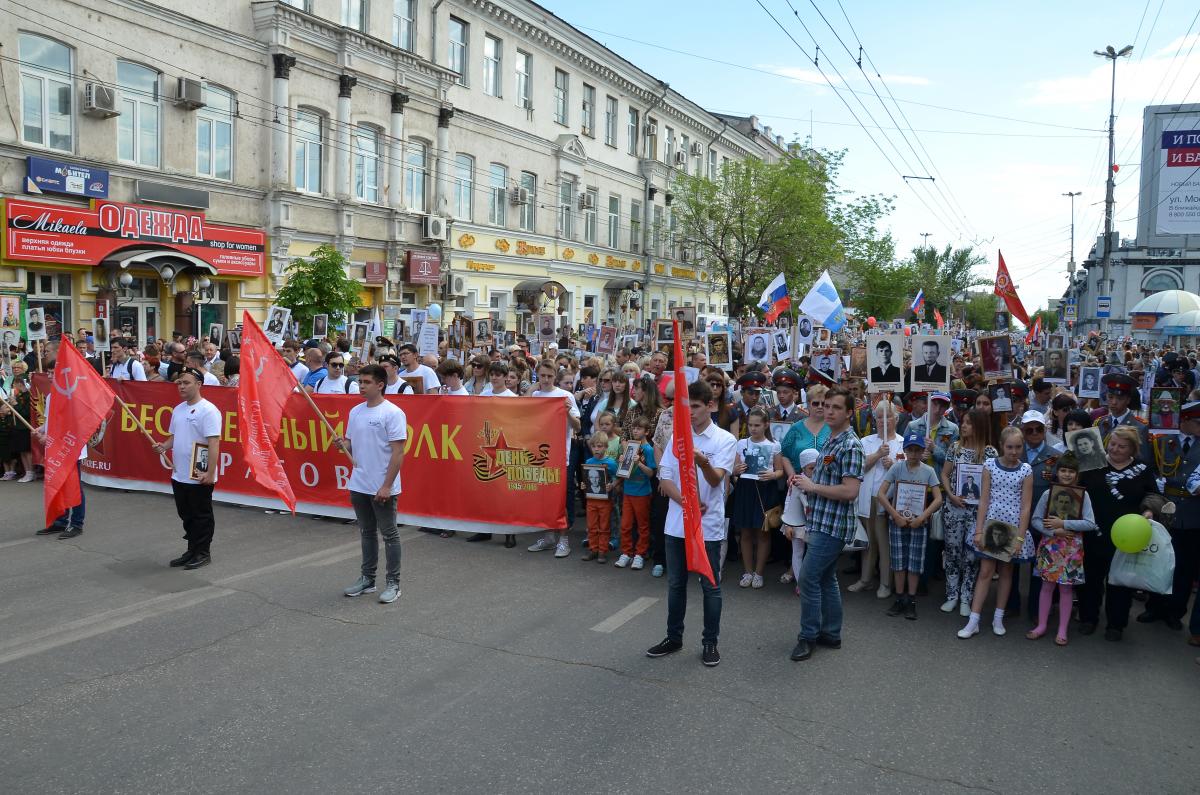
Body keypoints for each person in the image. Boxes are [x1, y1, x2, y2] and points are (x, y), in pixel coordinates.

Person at [645, 379, 737, 668]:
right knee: (676, 584)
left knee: (710, 585)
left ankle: (710, 642)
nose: (690, 413)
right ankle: (674, 637)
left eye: (695, 407)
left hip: (707, 525)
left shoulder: (724, 440)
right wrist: (686, 503)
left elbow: (716, 480)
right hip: (677, 523)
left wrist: (703, 462)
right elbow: (665, 478)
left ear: (710, 406)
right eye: (687, 407)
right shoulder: (677, 437)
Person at [789, 385, 864, 662]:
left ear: (849, 413)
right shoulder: (832, 439)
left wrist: (813, 486)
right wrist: (804, 483)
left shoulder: (850, 445)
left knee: (808, 578)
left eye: (835, 408)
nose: (828, 411)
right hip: (821, 520)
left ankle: (808, 636)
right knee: (826, 578)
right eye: (826, 406)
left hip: (833, 526)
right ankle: (831, 633)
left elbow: (850, 491)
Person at [1078, 426, 1158, 640]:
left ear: (1133, 448)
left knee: (1120, 581)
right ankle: (1088, 617)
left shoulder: (1143, 468)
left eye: (1121, 446)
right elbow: (1075, 488)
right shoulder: (1092, 462)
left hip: (1126, 535)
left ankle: (1116, 623)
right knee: (1091, 578)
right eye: (1112, 444)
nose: (1115, 449)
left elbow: (1153, 494)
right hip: (1093, 531)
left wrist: (1149, 510)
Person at [337, 364, 407, 605]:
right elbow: (350, 442)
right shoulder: (356, 411)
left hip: (382, 486)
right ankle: (367, 579)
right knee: (367, 533)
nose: (361, 386)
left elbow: (398, 453)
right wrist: (342, 445)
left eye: (366, 382)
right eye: (360, 381)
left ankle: (393, 583)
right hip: (359, 484)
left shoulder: (392, 413)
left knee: (389, 535)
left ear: (380, 384)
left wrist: (387, 486)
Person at [958, 426, 1033, 639]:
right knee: (985, 572)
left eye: (1018, 447)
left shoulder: (1025, 470)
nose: (1014, 451)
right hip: (991, 525)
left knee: (1007, 572)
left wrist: (1020, 536)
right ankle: (974, 620)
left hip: (1011, 528)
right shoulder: (990, 465)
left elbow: (1026, 506)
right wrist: (979, 530)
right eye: (1010, 447)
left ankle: (998, 617)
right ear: (1002, 445)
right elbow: (984, 499)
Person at [152, 368, 222, 570]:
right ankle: (192, 549)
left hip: (198, 474)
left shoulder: (208, 410)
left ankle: (203, 552)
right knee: (186, 514)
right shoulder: (178, 409)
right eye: (179, 383)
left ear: (199, 385)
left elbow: (214, 442)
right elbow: (175, 436)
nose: (181, 386)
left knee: (201, 515)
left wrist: (210, 472)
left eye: (186, 383)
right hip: (179, 473)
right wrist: (164, 446)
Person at [1141, 401, 1200, 632]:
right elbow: (1150, 468)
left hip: (1193, 512)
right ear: (1184, 421)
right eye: (1197, 422)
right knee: (1159, 560)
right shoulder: (1162, 439)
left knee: (1185, 566)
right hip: (1165, 508)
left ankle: (1175, 611)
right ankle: (1154, 606)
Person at [877, 432, 943, 620]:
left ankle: (911, 600)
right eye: (910, 450)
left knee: (914, 563)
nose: (914, 454)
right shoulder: (897, 468)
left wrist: (922, 517)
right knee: (898, 561)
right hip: (898, 521)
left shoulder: (928, 471)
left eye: (918, 450)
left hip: (918, 523)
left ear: (923, 451)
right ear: (905, 450)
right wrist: (895, 515)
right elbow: (882, 494)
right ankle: (899, 598)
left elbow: (938, 498)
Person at [939, 409, 994, 616]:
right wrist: (951, 495)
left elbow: (992, 485)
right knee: (952, 551)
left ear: (978, 426)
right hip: (954, 508)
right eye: (963, 422)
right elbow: (945, 474)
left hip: (977, 513)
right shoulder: (955, 448)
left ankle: (966, 597)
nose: (963, 426)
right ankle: (951, 595)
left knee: (971, 555)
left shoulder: (989, 453)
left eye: (968, 423)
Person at [527, 360, 582, 558]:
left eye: (550, 376)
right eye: (542, 376)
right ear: (538, 376)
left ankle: (563, 540)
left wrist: (566, 411)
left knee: (561, 501)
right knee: (544, 500)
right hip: (540, 456)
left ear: (555, 377)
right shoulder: (535, 395)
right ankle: (549, 537)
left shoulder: (565, 396)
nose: (546, 379)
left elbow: (577, 427)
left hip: (561, 456)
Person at [849, 399, 903, 598]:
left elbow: (905, 474)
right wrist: (878, 454)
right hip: (866, 498)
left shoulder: (902, 442)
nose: (883, 420)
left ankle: (885, 584)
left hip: (886, 501)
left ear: (896, 419)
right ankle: (865, 579)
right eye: (879, 417)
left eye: (888, 416)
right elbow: (858, 467)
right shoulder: (865, 442)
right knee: (867, 542)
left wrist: (893, 466)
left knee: (883, 543)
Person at [730, 407, 784, 590]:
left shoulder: (774, 445)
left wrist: (772, 475)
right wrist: (736, 471)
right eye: (750, 424)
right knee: (745, 532)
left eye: (757, 425)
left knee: (763, 532)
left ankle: (759, 573)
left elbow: (780, 470)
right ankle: (747, 571)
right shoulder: (742, 443)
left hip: (765, 488)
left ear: (766, 424)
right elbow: (735, 468)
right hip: (746, 489)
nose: (753, 428)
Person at [615, 416, 656, 570]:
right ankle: (626, 552)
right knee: (625, 524)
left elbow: (651, 473)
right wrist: (622, 462)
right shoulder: (630, 446)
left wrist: (639, 463)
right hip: (628, 491)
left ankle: (640, 554)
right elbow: (624, 470)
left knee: (642, 525)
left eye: (639, 428)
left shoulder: (649, 450)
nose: (635, 431)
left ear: (647, 432)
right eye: (634, 428)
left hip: (642, 493)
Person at [580, 431, 617, 563]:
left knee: (604, 526)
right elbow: (585, 479)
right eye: (594, 446)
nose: (596, 449)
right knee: (591, 526)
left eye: (600, 446)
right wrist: (584, 485)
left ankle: (602, 550)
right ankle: (593, 549)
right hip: (591, 500)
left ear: (606, 447)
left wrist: (612, 485)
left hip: (605, 501)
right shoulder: (589, 461)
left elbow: (618, 478)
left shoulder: (611, 463)